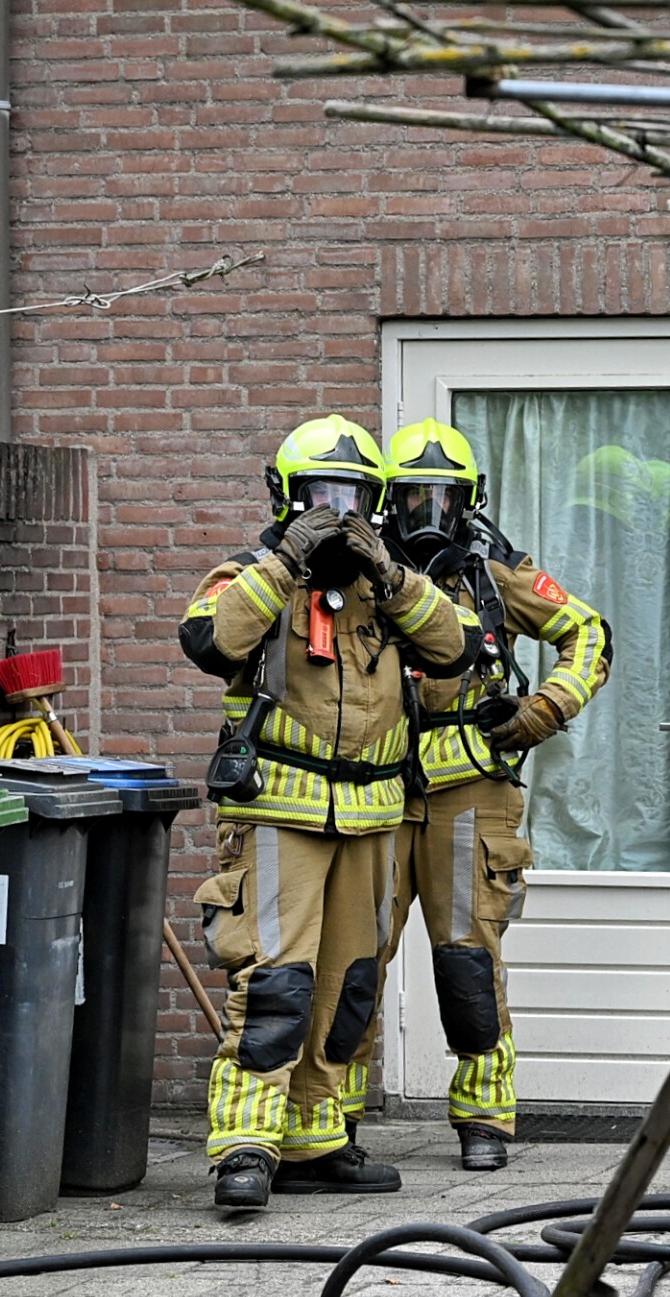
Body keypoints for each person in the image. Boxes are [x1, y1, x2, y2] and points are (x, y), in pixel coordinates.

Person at [179, 415, 474, 1208]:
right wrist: (286, 561)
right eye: (318, 492)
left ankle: (314, 1139)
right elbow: (209, 641)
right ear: (286, 495)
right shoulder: (250, 573)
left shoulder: (391, 584)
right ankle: (244, 1147)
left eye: (350, 495)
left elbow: (455, 650)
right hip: (279, 810)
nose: (334, 508)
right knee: (275, 982)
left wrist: (392, 572)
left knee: (350, 987)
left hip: (374, 815)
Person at [354, 416, 611, 1171]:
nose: (426, 517)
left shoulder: (495, 572)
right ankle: (332, 1121)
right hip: (373, 791)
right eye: (411, 502)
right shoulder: (361, 576)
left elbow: (587, 633)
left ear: (469, 501)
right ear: (386, 504)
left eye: (443, 500)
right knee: (355, 955)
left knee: (468, 958)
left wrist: (543, 711)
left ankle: (484, 1120)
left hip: (471, 789)